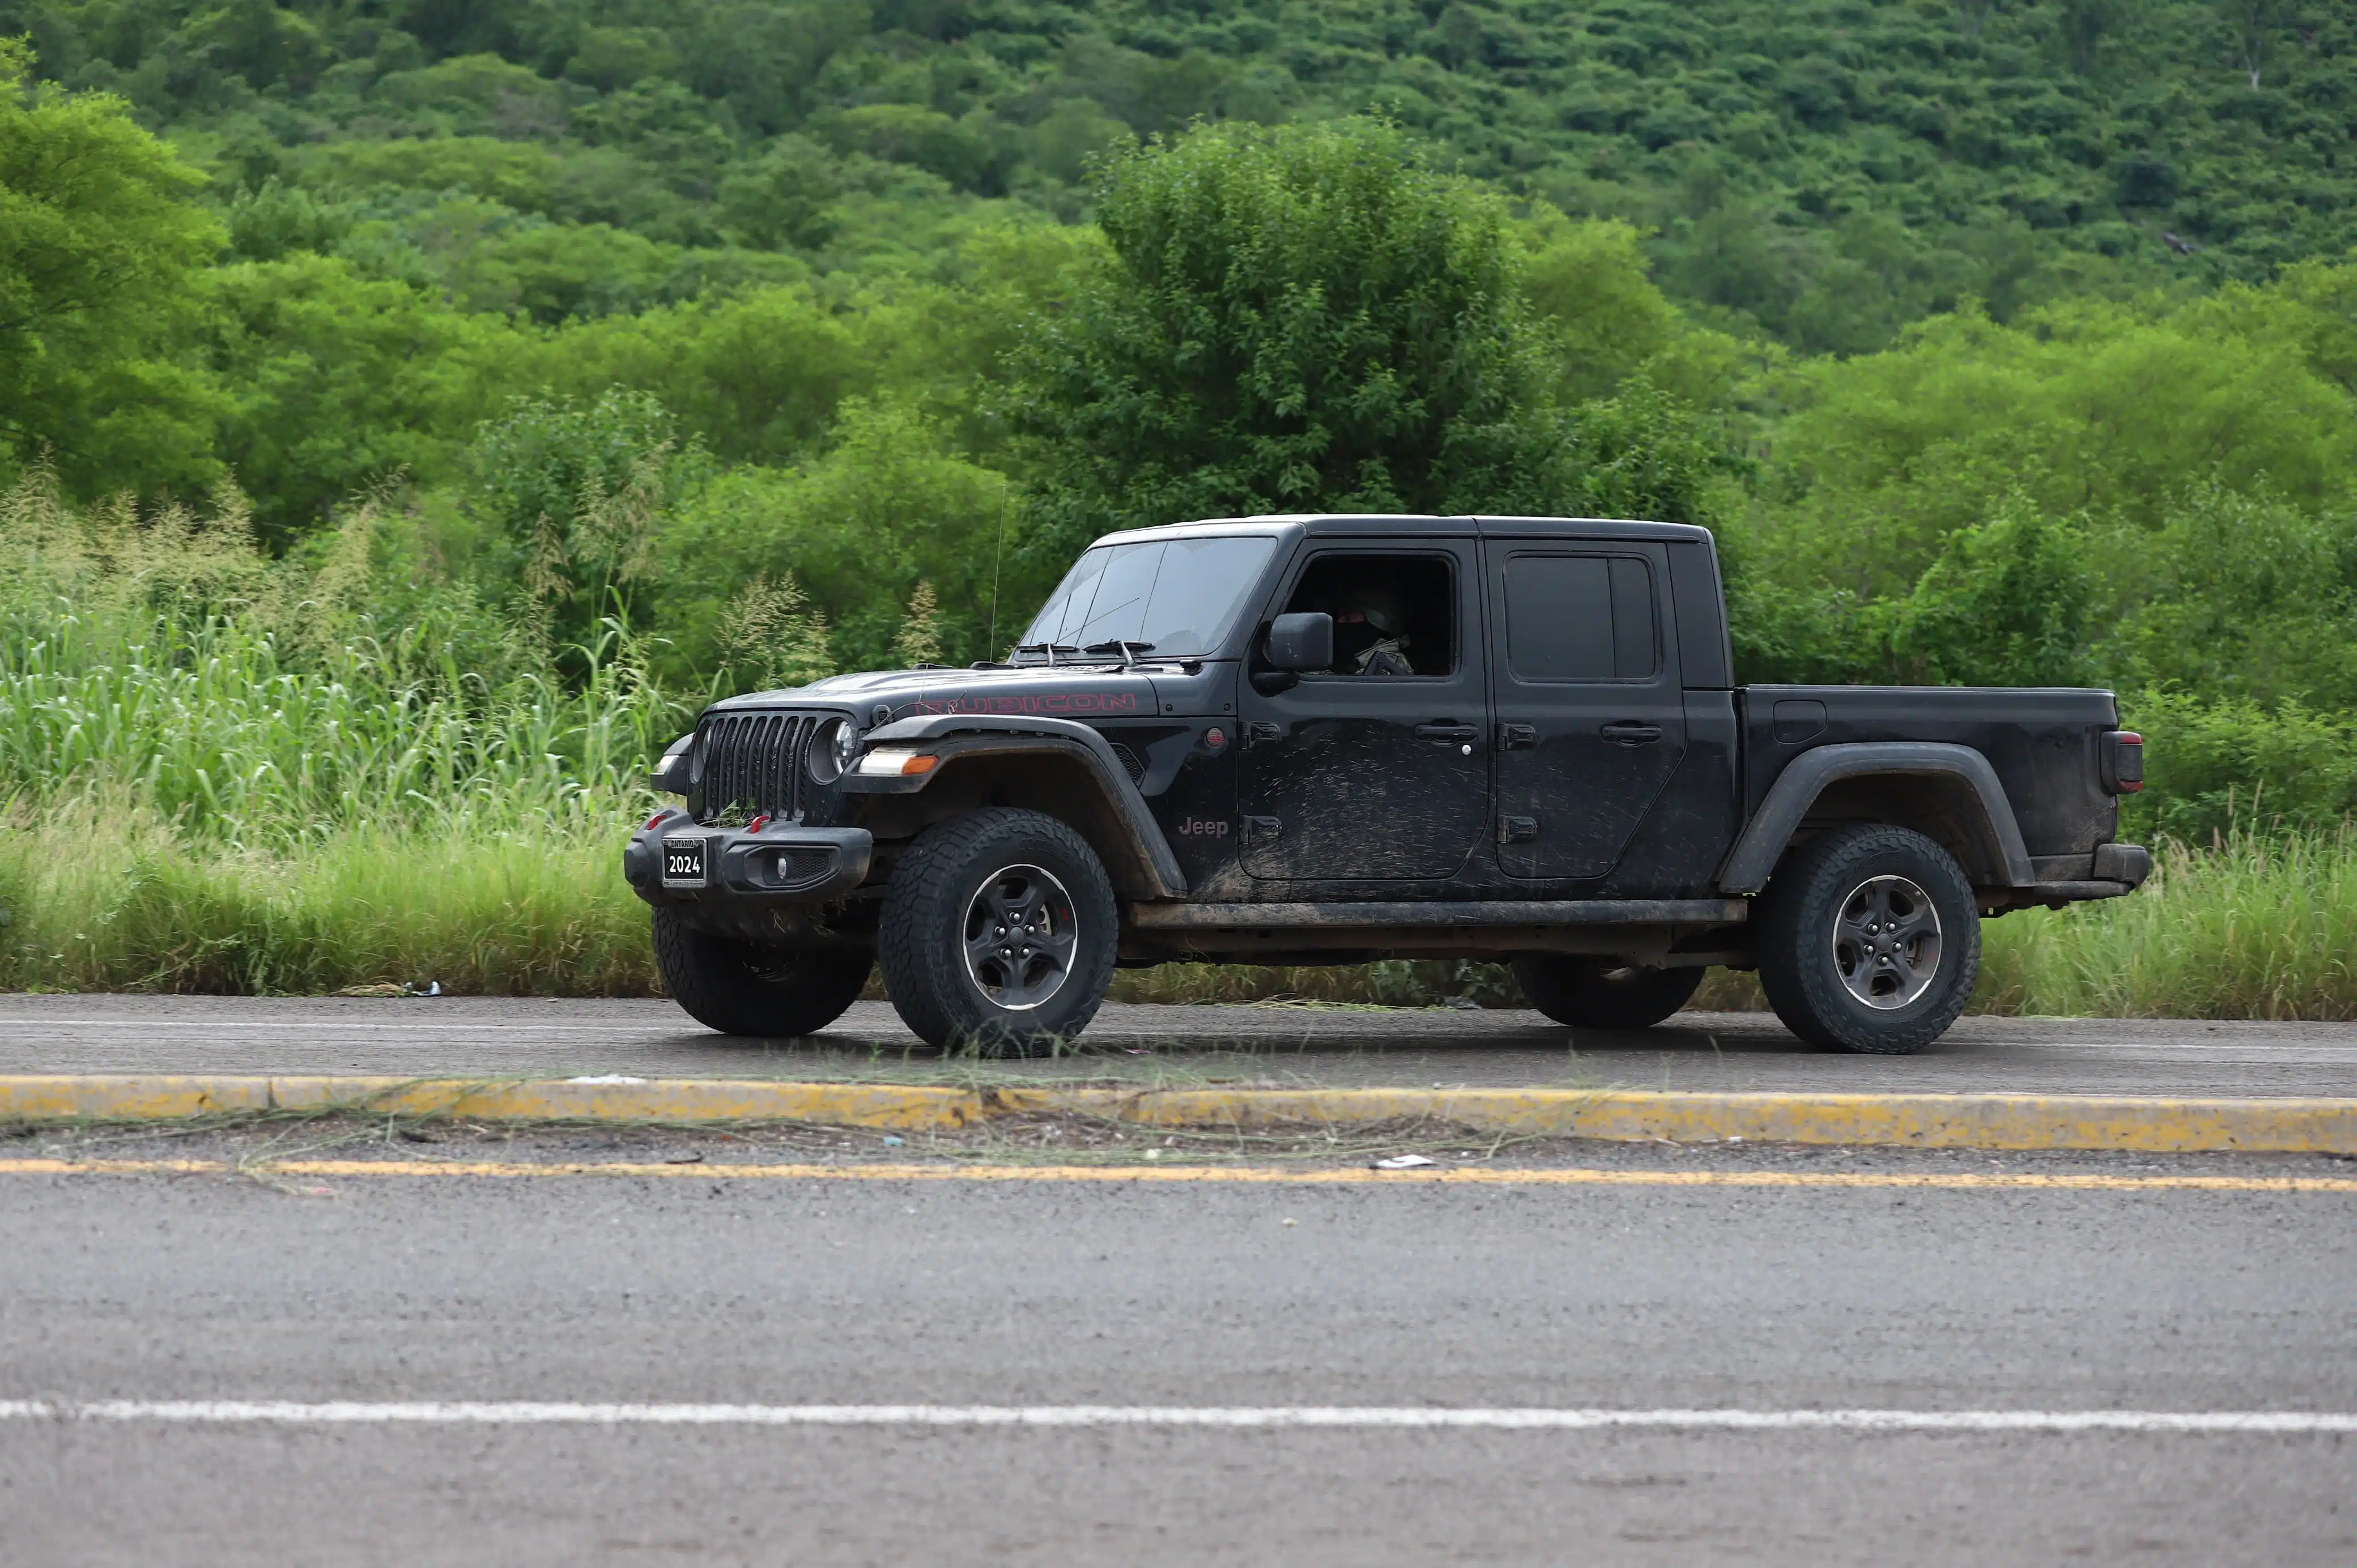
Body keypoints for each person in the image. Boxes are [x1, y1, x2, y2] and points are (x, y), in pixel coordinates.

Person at [1331, 585, 1415, 676]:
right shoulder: (1355, 661)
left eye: (1349, 617)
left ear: (1376, 626)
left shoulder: (1390, 664)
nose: (1339, 621)